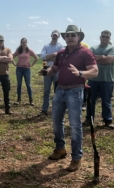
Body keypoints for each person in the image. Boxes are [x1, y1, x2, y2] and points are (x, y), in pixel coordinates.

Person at [41, 25, 98, 172]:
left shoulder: (85, 53)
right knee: (56, 122)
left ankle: (76, 157)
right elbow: (54, 69)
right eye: (67, 35)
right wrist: (46, 72)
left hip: (75, 90)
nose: (70, 37)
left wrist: (80, 73)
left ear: (79, 37)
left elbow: (94, 71)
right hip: (60, 90)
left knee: (74, 125)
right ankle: (60, 149)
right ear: (64, 38)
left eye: (73, 35)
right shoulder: (60, 53)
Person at [84, 30, 114, 129]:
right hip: (93, 79)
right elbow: (88, 59)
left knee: (106, 101)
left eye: (107, 37)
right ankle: (89, 119)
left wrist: (96, 58)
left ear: (110, 38)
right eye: (103, 36)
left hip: (107, 79)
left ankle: (108, 120)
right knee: (90, 100)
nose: (105, 38)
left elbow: (109, 60)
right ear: (100, 37)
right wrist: (102, 57)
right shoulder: (93, 48)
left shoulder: (113, 48)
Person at [40, 30, 64, 116]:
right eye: (53, 35)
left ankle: (56, 109)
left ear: (58, 37)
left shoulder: (61, 47)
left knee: (57, 91)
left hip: (57, 70)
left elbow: (60, 58)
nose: (54, 37)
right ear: (51, 35)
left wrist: (48, 57)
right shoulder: (46, 46)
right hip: (46, 69)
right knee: (46, 90)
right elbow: (42, 57)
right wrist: (54, 54)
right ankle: (44, 109)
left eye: (56, 35)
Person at [12, 38, 38, 106]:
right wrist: (14, 63)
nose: (24, 43)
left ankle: (31, 100)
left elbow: (36, 58)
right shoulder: (18, 50)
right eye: (23, 42)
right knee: (19, 84)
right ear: (21, 43)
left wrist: (31, 64)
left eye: (25, 42)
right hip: (19, 69)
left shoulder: (29, 50)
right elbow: (12, 57)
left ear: (27, 43)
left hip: (27, 69)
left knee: (28, 85)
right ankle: (18, 99)